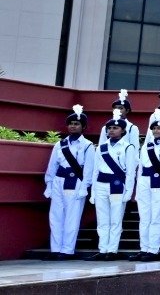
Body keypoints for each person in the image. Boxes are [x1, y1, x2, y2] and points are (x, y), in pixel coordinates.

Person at [43, 105, 95, 260]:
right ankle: (55, 249)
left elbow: (89, 168)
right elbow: (52, 166)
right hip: (59, 181)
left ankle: (67, 250)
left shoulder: (87, 145)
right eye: (71, 124)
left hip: (76, 181)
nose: (73, 126)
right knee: (55, 216)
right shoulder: (60, 144)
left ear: (83, 127)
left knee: (72, 217)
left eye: (76, 124)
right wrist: (49, 184)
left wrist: (85, 186)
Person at [90, 112, 137, 260]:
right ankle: (103, 249)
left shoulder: (128, 147)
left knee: (116, 219)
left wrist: (128, 192)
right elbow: (95, 170)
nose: (111, 130)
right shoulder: (101, 147)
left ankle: (112, 250)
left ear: (122, 130)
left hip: (117, 185)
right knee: (102, 219)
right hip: (101, 184)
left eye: (115, 128)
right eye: (109, 128)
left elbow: (130, 172)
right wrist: (93, 192)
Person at [133, 118, 160, 261]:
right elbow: (140, 168)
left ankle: (153, 250)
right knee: (144, 217)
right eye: (154, 129)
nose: (156, 131)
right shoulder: (147, 146)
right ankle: (143, 248)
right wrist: (138, 188)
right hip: (144, 181)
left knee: (156, 216)